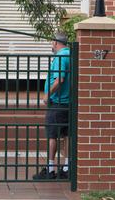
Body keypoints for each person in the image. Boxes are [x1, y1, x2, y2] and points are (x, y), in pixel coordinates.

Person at [34, 32, 71, 180]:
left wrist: (47, 95)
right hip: (69, 103)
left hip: (57, 102)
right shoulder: (72, 55)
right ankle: (67, 167)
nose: (51, 46)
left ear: (56, 43)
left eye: (51, 43)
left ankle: (50, 169)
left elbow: (59, 79)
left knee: (52, 136)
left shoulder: (60, 57)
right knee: (67, 135)